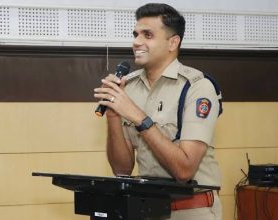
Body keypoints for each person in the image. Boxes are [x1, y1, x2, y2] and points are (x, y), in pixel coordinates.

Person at [94, 3, 222, 220]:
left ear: (173, 42)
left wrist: (138, 116)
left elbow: (184, 170)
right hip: (146, 210)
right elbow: (122, 170)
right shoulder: (130, 87)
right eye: (135, 34)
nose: (136, 42)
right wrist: (114, 116)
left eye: (148, 35)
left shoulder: (197, 87)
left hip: (191, 211)